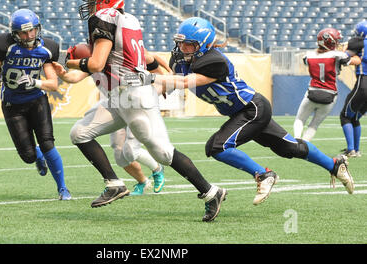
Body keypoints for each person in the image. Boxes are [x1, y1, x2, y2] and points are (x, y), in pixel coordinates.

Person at [64, 0, 227, 222]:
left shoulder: (105, 17)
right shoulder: (128, 19)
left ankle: (211, 192)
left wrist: (69, 60)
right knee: (79, 133)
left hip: (133, 95)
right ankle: (114, 184)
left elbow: (97, 63)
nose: (89, 4)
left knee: (162, 153)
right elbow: (138, 57)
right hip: (121, 94)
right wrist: (162, 73)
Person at [154, 17, 355, 205]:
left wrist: (154, 80)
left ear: (203, 45)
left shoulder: (215, 61)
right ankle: (334, 164)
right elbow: (173, 81)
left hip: (252, 109)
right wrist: (159, 84)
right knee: (289, 148)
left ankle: (263, 174)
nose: (182, 48)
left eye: (188, 44)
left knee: (217, 147)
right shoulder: (181, 59)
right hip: (243, 111)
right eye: (180, 43)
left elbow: (183, 81)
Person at [53, 49, 169, 196]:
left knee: (130, 151)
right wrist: (62, 73)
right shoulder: (94, 62)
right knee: (120, 155)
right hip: (115, 103)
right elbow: (74, 77)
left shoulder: (117, 53)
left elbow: (150, 56)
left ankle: (158, 169)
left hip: (136, 103)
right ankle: (143, 182)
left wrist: (165, 76)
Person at [0, 8, 71, 200]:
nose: (29, 35)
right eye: (24, 32)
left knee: (48, 143)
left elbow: (53, 84)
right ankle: (36, 155)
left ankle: (63, 188)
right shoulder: (4, 45)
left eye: (32, 30)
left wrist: (35, 82)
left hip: (36, 101)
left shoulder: (47, 49)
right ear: (15, 33)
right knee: (28, 156)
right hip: (12, 104)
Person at [293, 28, 360, 142]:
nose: (337, 43)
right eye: (336, 41)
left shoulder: (308, 55)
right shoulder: (338, 55)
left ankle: (297, 140)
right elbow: (356, 61)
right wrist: (350, 53)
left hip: (312, 93)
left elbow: (315, 55)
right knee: (314, 124)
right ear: (331, 43)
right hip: (330, 95)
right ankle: (304, 146)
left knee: (300, 119)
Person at [339, 20, 367, 158]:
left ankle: (351, 149)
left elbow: (344, 55)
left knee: (345, 116)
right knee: (354, 117)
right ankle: (355, 150)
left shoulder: (359, 41)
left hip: (364, 82)